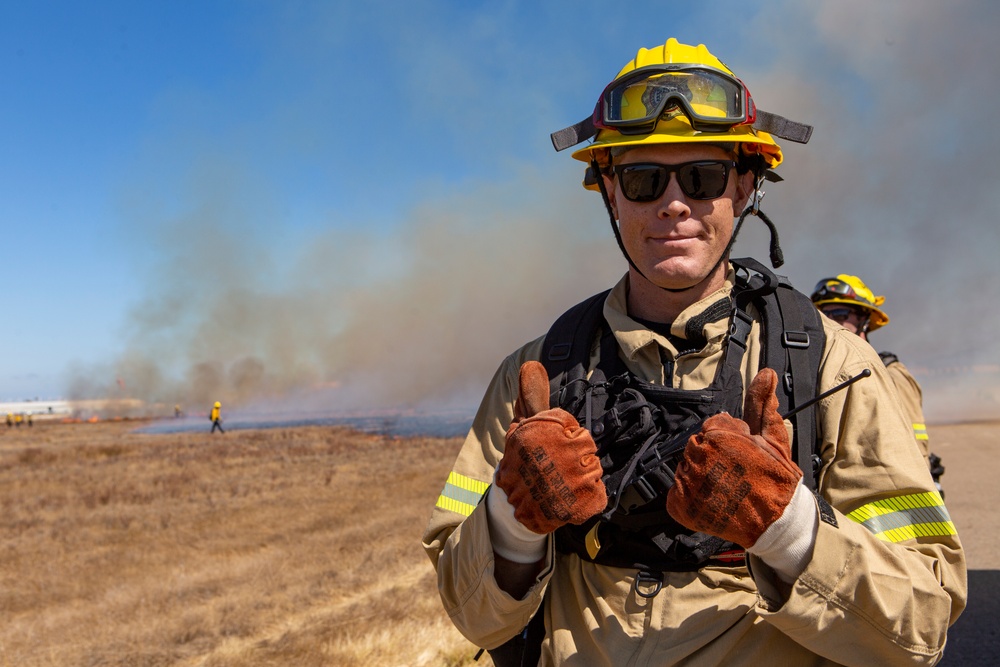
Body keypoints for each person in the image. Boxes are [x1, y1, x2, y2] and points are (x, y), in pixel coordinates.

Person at [422, 38, 966, 665]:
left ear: (745, 187)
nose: (674, 203)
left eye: (703, 177)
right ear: (609, 191)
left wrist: (787, 529)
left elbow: (921, 627)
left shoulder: (833, 367)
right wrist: (513, 523)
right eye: (643, 178)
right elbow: (472, 616)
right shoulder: (538, 376)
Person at [811, 275, 945, 494]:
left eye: (841, 314)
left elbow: (915, 441)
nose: (830, 321)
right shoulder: (817, 372)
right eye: (824, 314)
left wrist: (923, 484)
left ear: (864, 319)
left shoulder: (891, 374)